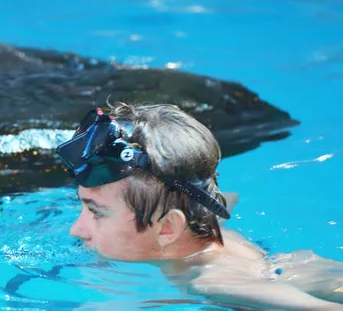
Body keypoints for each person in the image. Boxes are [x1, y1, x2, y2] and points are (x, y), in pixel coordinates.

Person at [56, 102, 343, 310]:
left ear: (168, 228)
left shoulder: (210, 283)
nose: (76, 230)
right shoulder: (206, 221)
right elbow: (225, 198)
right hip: (294, 266)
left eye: (96, 212)